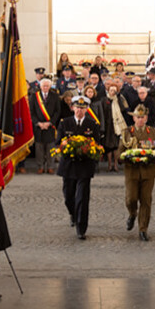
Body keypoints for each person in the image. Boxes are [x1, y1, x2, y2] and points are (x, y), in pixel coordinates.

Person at [56, 95, 102, 240]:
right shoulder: (65, 123)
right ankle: (73, 213)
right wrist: (64, 147)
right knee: (68, 196)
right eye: (77, 107)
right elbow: (58, 143)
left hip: (84, 166)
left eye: (82, 108)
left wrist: (91, 152)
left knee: (82, 197)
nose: (79, 111)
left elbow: (98, 144)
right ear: (72, 108)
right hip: (68, 165)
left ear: (87, 109)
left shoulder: (92, 124)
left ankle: (81, 228)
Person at [119, 104, 155, 241]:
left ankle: (143, 229)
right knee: (131, 198)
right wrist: (126, 157)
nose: (140, 120)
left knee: (146, 200)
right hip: (132, 171)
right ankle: (132, 214)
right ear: (134, 118)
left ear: (146, 118)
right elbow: (120, 152)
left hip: (148, 171)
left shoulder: (153, 132)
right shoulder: (127, 132)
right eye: (138, 117)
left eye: (142, 117)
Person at [29, 78, 61, 174]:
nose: (45, 87)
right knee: (39, 147)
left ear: (50, 87)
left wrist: (50, 122)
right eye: (44, 86)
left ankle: (51, 166)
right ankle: (40, 166)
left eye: (47, 86)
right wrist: (38, 123)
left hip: (50, 126)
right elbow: (31, 112)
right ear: (40, 86)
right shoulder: (34, 97)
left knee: (50, 146)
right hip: (38, 126)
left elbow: (57, 111)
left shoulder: (55, 96)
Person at [104, 85, 129, 172]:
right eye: (111, 90)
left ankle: (115, 164)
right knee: (108, 146)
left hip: (117, 125)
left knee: (116, 145)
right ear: (108, 91)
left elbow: (123, 109)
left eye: (114, 90)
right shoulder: (105, 100)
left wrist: (118, 97)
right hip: (108, 125)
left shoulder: (118, 99)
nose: (113, 92)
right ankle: (109, 165)